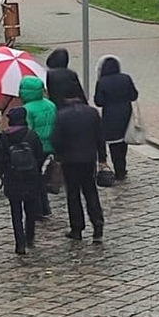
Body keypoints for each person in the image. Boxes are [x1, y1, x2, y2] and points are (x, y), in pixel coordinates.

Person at [51, 94, 106, 242]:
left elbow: (56, 139)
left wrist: (59, 155)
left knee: (73, 194)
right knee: (91, 191)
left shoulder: (62, 116)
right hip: (88, 160)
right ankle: (97, 224)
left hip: (69, 161)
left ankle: (77, 228)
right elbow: (100, 137)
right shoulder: (92, 113)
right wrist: (102, 158)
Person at [0, 107, 46, 255]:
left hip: (12, 178)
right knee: (30, 209)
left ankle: (19, 243)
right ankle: (30, 236)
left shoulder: (4, 137)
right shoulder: (31, 135)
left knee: (16, 211)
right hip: (31, 177)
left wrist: (3, 173)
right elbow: (40, 155)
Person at [93, 56, 139, 182]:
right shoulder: (126, 78)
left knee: (114, 143)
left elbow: (98, 101)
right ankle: (122, 169)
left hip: (110, 115)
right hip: (126, 113)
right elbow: (134, 95)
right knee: (124, 141)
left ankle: (118, 169)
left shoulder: (102, 82)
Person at [19, 75, 56, 218]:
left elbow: (27, 130)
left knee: (35, 180)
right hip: (50, 146)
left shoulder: (27, 109)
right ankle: (46, 207)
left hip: (36, 149)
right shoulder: (50, 104)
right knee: (44, 177)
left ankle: (38, 209)